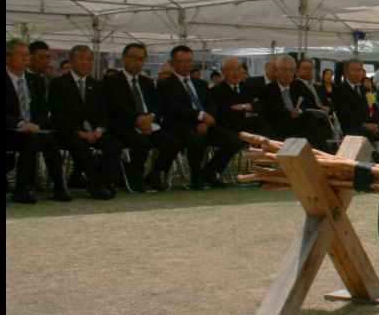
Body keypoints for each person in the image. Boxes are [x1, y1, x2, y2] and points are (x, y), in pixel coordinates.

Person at [158, 45, 243, 190]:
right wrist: (201, 116)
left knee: (234, 139)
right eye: (181, 61)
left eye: (189, 61)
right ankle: (196, 178)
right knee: (195, 140)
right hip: (181, 125)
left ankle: (210, 172)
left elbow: (211, 105)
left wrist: (208, 120)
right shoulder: (165, 84)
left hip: (205, 125)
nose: (186, 65)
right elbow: (175, 108)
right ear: (172, 63)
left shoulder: (200, 83)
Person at [102, 42, 182, 192]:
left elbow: (157, 105)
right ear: (124, 58)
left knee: (173, 142)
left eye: (141, 59)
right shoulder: (111, 81)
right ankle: (134, 178)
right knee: (141, 143)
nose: (137, 62)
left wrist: (150, 117)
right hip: (125, 126)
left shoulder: (148, 82)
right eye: (133, 58)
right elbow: (115, 106)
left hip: (149, 124)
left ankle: (155, 174)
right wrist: (137, 120)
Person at [49, 45, 123, 199]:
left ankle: (108, 182)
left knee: (113, 144)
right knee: (79, 144)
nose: (86, 63)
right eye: (81, 59)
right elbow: (58, 115)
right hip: (69, 132)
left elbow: (104, 113)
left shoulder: (97, 85)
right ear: (71, 61)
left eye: (89, 60)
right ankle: (95, 185)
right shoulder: (58, 84)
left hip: (93, 131)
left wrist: (99, 130)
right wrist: (80, 133)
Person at [5, 39, 69, 203]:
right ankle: (22, 189)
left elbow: (41, 110)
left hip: (33, 129)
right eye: (21, 55)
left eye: (27, 55)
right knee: (30, 139)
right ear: (7, 58)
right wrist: (20, 124)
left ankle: (59, 186)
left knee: (50, 140)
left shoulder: (36, 80)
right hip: (10, 130)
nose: (26, 58)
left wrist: (38, 125)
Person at [260, 56, 331, 152]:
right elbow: (269, 112)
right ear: (277, 71)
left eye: (291, 70)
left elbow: (310, 105)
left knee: (313, 125)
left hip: (300, 127)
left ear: (295, 72)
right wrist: (289, 113)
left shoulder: (299, 87)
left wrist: (300, 110)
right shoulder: (267, 90)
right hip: (279, 128)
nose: (288, 74)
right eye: (284, 70)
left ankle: (322, 158)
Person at [332, 60, 379, 141]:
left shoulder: (364, 90)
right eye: (355, 70)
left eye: (360, 70)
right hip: (351, 128)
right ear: (346, 72)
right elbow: (344, 115)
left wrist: (375, 124)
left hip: (368, 125)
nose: (358, 73)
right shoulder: (339, 90)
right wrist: (364, 125)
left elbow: (374, 108)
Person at [211, 58, 261, 134]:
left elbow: (260, 106)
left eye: (238, 69)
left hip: (254, 128)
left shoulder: (249, 87)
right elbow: (225, 115)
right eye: (232, 69)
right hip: (232, 131)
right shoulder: (216, 91)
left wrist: (244, 107)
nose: (236, 73)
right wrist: (249, 110)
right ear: (224, 72)